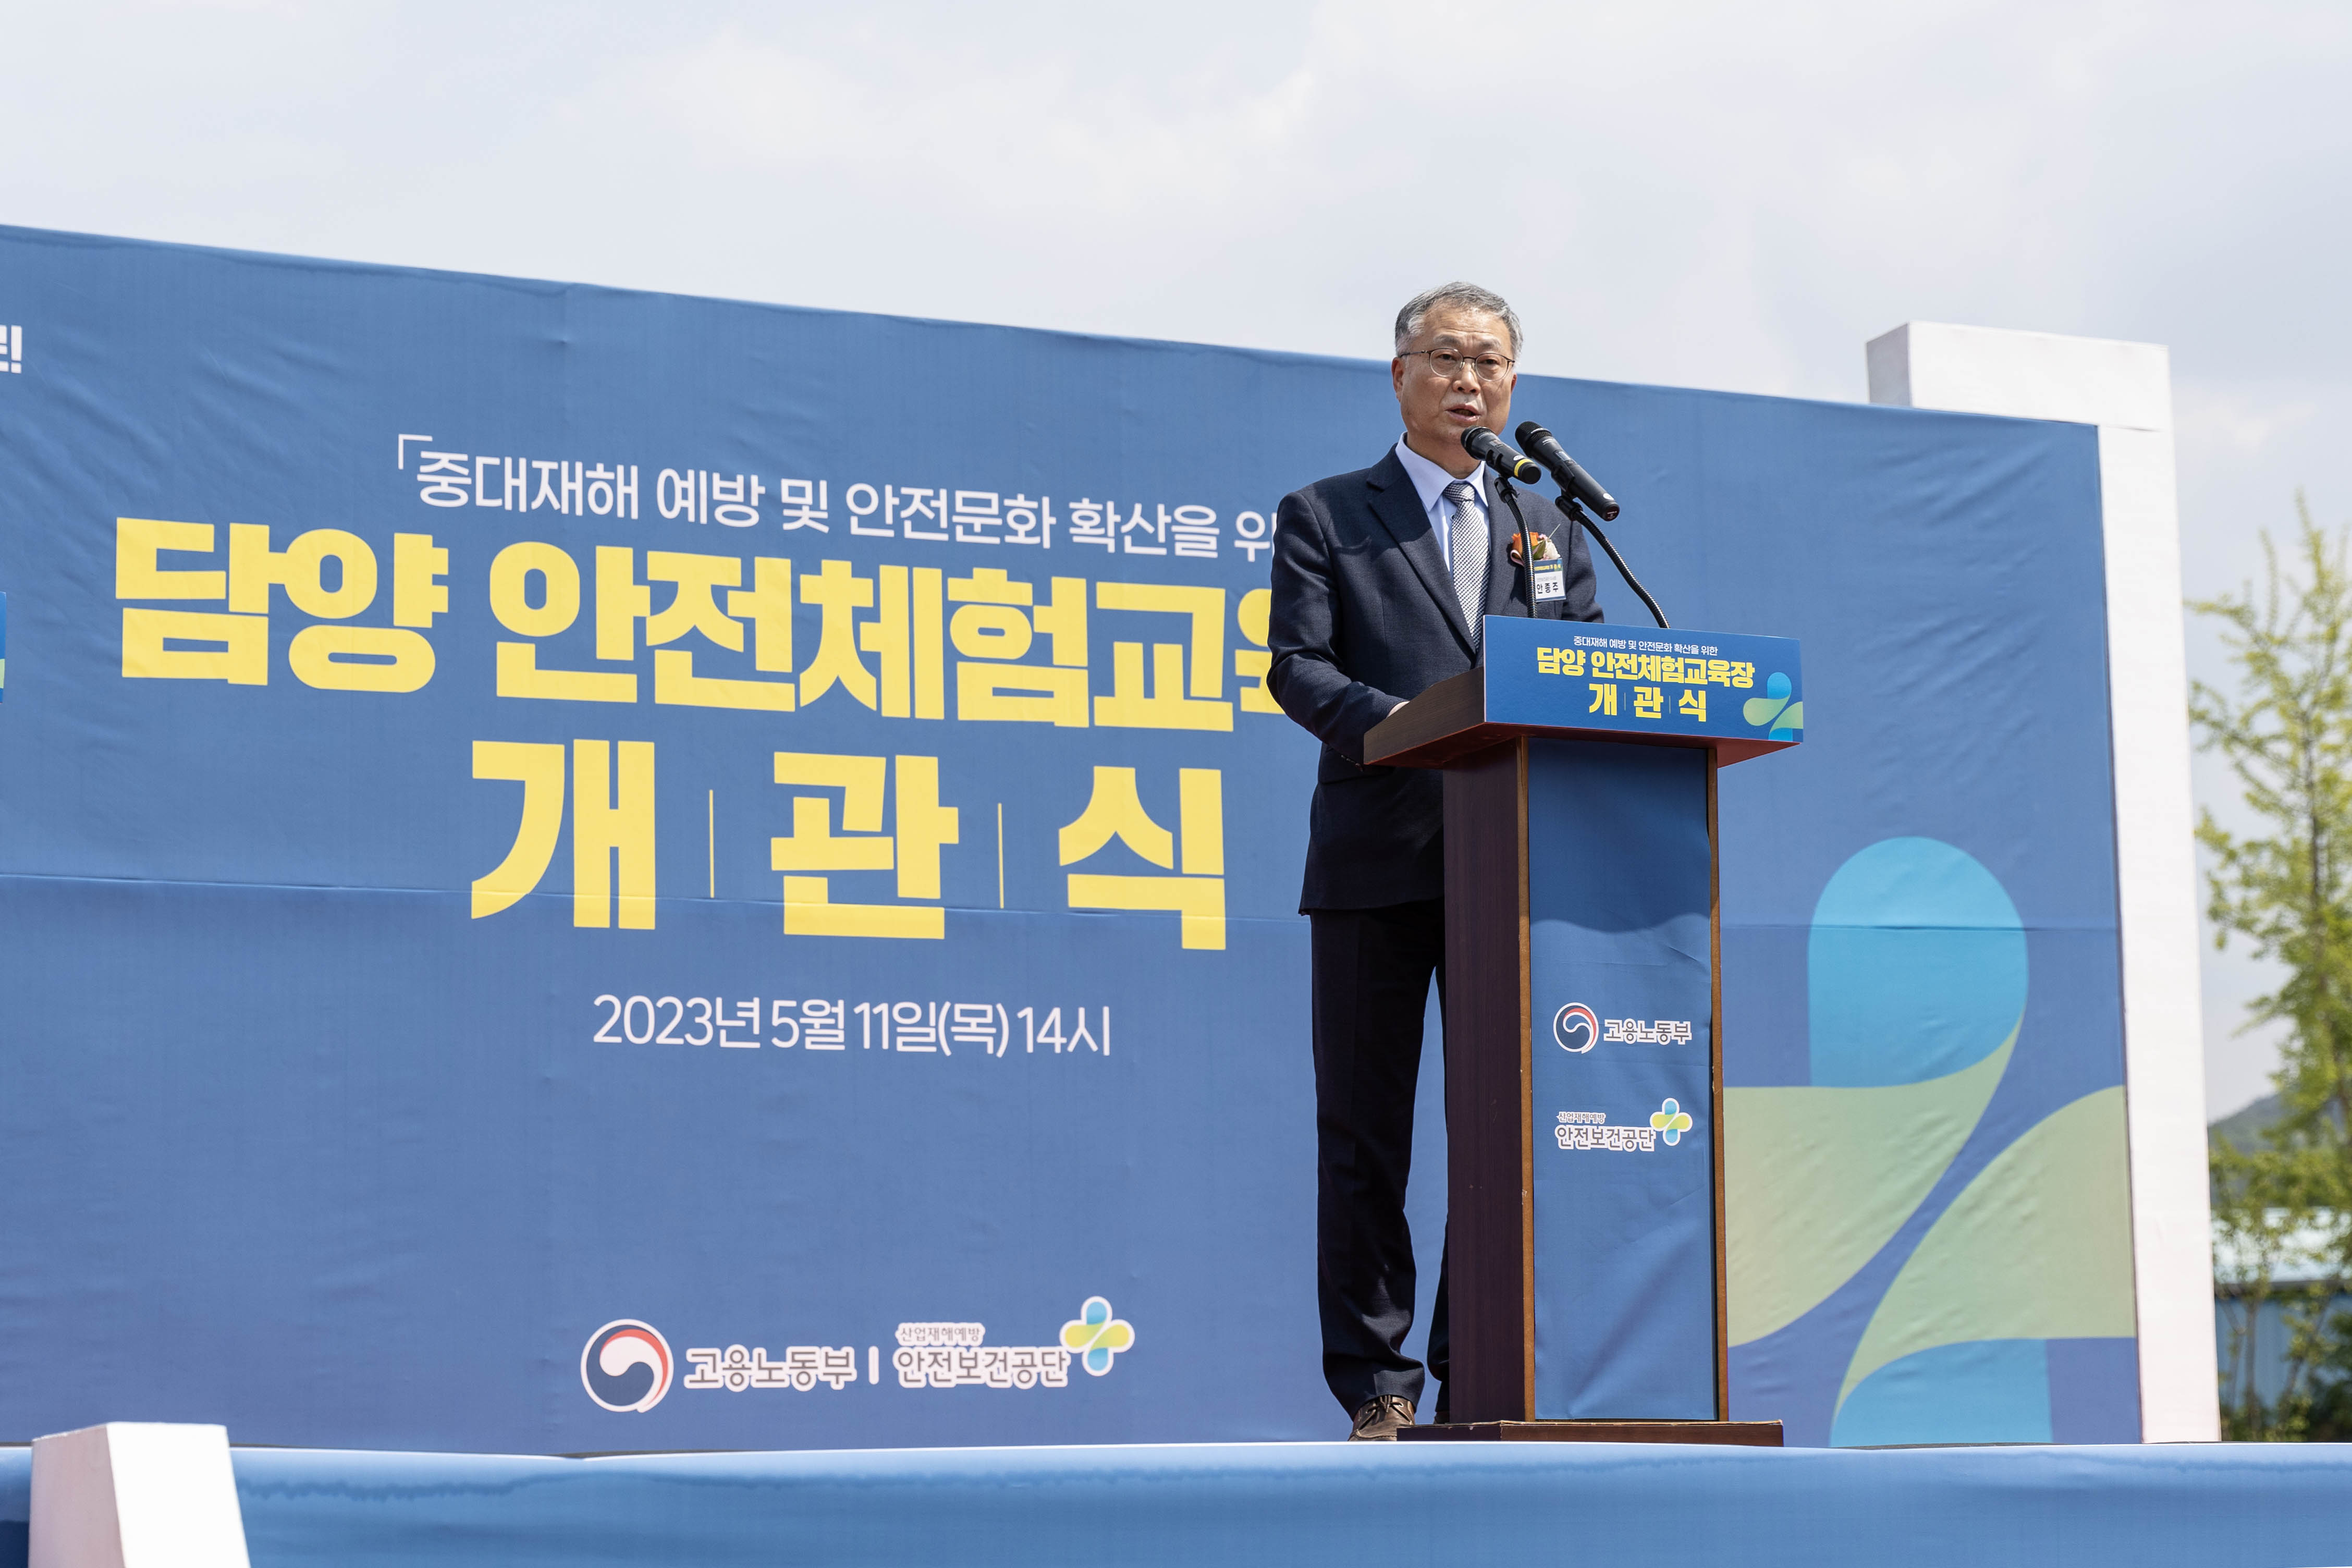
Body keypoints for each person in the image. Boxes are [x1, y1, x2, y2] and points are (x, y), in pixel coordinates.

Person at [1266, 281, 1604, 1440]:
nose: (1471, 379)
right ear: (1398, 373)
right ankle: (1378, 1383)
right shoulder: (1325, 513)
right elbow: (1297, 669)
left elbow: (1583, 671)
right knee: (1367, 1133)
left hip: (1507, 861)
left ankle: (1477, 1369)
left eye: (1492, 362)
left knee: (1496, 1131)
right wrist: (1411, 720)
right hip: (1375, 859)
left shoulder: (1548, 524)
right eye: (1447, 356)